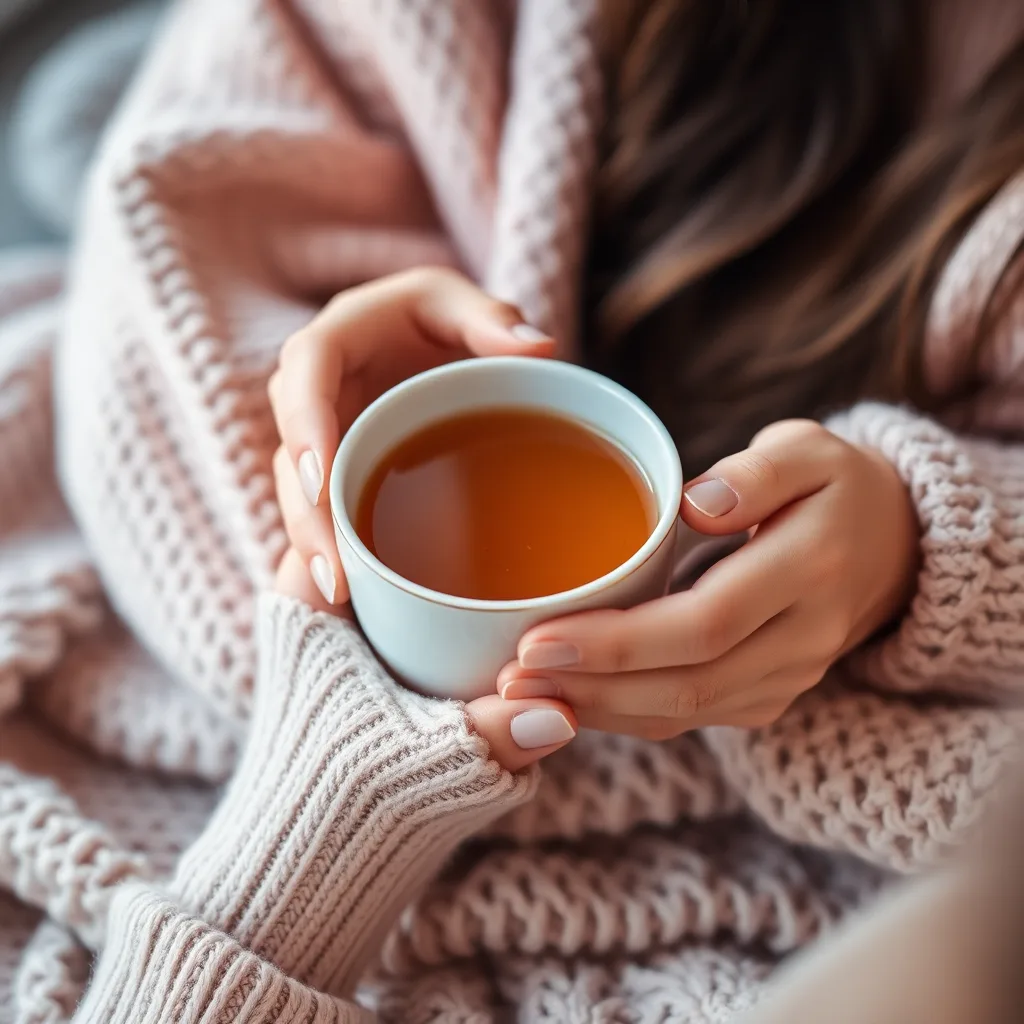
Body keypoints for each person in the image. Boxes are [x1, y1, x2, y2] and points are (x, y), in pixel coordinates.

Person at [0, 0, 1022, 1019]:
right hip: (194, 691)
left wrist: (923, 549)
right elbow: (183, 206)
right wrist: (312, 372)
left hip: (779, 846)